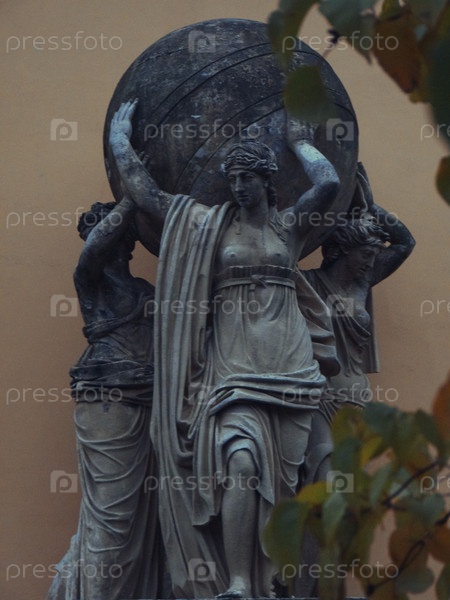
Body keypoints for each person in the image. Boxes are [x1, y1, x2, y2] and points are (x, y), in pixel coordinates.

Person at [108, 100, 340, 598]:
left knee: (287, 475)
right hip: (232, 365)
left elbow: (328, 184)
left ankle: (276, 573)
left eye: (247, 178)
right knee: (241, 463)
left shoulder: (288, 227)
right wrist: (119, 141)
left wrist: (301, 142)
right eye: (232, 179)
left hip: (290, 361)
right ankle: (237, 580)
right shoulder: (206, 227)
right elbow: (150, 197)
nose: (238, 187)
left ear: (266, 181)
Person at [47, 198, 162, 600]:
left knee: (145, 519)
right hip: (107, 398)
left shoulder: (146, 290)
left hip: (151, 402)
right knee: (112, 517)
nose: (116, 242)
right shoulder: (92, 282)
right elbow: (92, 254)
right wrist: (133, 198)